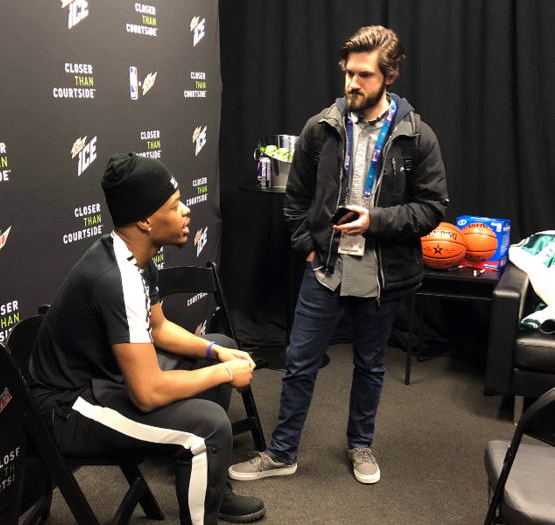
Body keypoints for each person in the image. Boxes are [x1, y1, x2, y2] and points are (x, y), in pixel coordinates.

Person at [229, 25, 449, 485]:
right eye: (348, 73)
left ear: (388, 76)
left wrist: (375, 221)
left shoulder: (416, 135)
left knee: (370, 365)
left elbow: (432, 209)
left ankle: (360, 444)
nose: (352, 82)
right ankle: (282, 453)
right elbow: (296, 200)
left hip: (383, 272)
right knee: (300, 363)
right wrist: (308, 250)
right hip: (326, 268)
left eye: (364, 75)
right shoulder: (321, 127)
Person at [29, 152, 266, 524]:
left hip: (104, 381)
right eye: (174, 206)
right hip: (69, 409)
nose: (186, 211)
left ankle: (211, 488)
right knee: (210, 426)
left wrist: (216, 351)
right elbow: (147, 393)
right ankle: (204, 482)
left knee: (225, 350)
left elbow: (159, 329)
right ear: (144, 220)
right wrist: (225, 375)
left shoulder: (136, 256)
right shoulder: (113, 278)